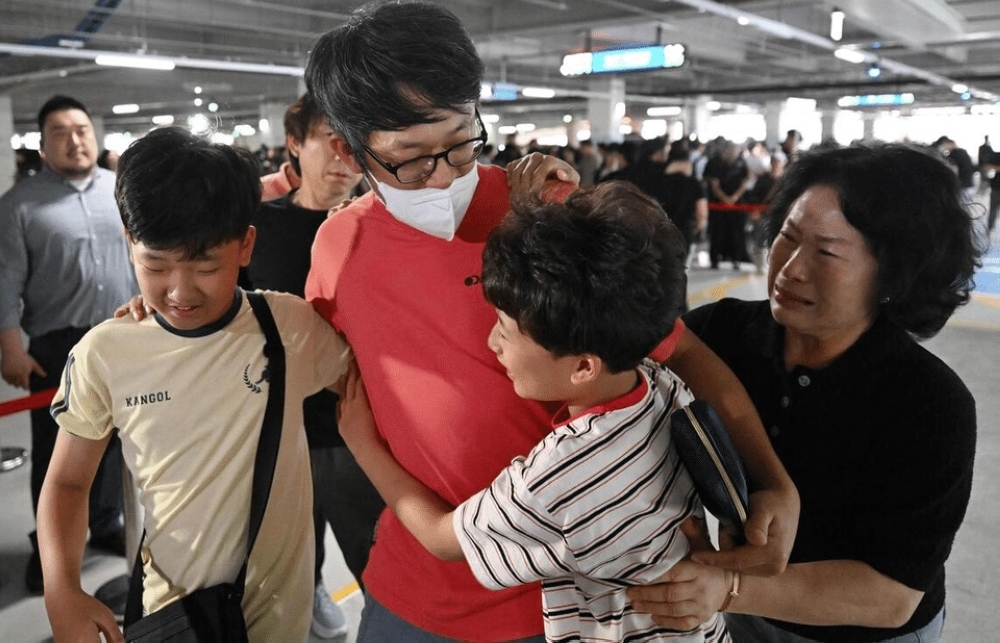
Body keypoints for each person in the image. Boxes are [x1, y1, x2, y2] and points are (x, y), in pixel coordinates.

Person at [304, 3, 797, 642]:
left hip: (578, 603)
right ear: (349, 149)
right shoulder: (339, 249)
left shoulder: (551, 213)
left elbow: (686, 356)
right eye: (412, 159)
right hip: (417, 591)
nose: (444, 176)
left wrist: (772, 484)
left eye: (459, 142)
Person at [340, 181, 729, 642]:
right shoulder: (659, 385)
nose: (491, 343)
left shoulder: (563, 476)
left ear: (584, 366)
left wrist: (362, 444)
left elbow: (444, 539)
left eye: (505, 330)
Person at [628, 143, 980, 643]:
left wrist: (728, 588)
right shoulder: (721, 333)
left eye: (827, 252)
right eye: (787, 237)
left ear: (893, 276)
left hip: (858, 631)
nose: (791, 268)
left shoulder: (930, 404)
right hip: (739, 610)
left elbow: (891, 596)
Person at [36, 126, 354, 643]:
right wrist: (61, 588)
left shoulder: (287, 327)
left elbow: (366, 390)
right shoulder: (105, 353)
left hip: (281, 620)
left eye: (207, 266)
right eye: (155, 266)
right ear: (129, 244)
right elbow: (69, 482)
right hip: (174, 615)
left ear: (246, 244)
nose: (180, 291)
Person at [240, 92, 382, 639]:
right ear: (295, 145)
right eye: (331, 138)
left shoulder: (383, 224)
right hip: (279, 431)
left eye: (357, 143)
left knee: (379, 572)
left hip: (360, 431)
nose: (346, 156)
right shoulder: (257, 227)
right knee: (289, 574)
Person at [0, 95, 136, 593]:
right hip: (59, 346)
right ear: (42, 145)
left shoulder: (122, 189)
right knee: (59, 451)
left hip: (125, 334)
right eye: (60, 131)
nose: (74, 139)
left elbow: (145, 255)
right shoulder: (19, 205)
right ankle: (51, 550)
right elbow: (6, 281)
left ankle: (104, 522)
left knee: (120, 442)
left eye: (82, 128)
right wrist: (10, 347)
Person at [704, 140, 751, 270]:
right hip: (718, 205)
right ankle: (715, 259)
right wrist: (725, 199)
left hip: (736, 206)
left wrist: (734, 198)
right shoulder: (714, 162)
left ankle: (736, 258)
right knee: (717, 233)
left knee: (736, 233)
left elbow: (744, 182)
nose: (732, 154)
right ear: (724, 151)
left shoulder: (741, 163)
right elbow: (714, 184)